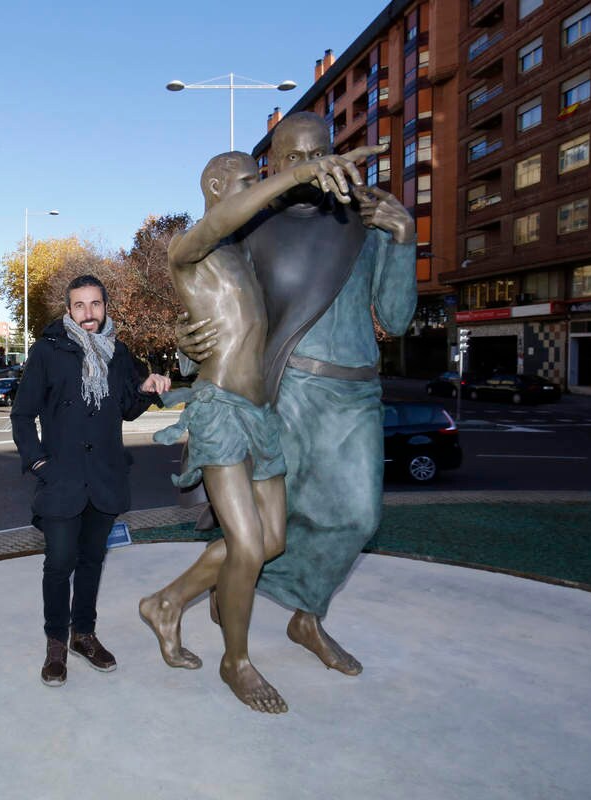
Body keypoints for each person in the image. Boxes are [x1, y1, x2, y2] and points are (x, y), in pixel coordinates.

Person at [140, 148, 381, 713]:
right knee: (246, 544)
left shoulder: (243, 255)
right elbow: (217, 225)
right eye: (250, 182)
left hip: (261, 413)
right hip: (220, 409)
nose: (261, 191)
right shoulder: (190, 248)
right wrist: (294, 175)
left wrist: (182, 337)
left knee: (271, 541)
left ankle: (168, 601)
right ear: (218, 185)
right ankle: (237, 662)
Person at [179, 112, 417, 676]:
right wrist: (185, 342)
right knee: (269, 530)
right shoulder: (253, 225)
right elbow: (219, 311)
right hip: (279, 392)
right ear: (274, 166)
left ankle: (297, 610)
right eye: (294, 158)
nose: (310, 165)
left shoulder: (368, 219)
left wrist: (403, 237)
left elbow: (399, 318)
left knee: (357, 517)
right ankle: (244, 585)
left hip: (354, 393)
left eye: (319, 152)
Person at [11, 274, 171, 687]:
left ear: (105, 307)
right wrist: (39, 463)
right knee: (59, 564)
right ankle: (55, 644)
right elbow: (22, 414)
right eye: (79, 306)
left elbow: (127, 407)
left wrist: (150, 388)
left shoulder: (118, 353)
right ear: (68, 310)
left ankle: (84, 635)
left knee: (91, 563)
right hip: (62, 481)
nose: (88, 313)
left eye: (95, 305)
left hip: (104, 478)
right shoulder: (48, 352)